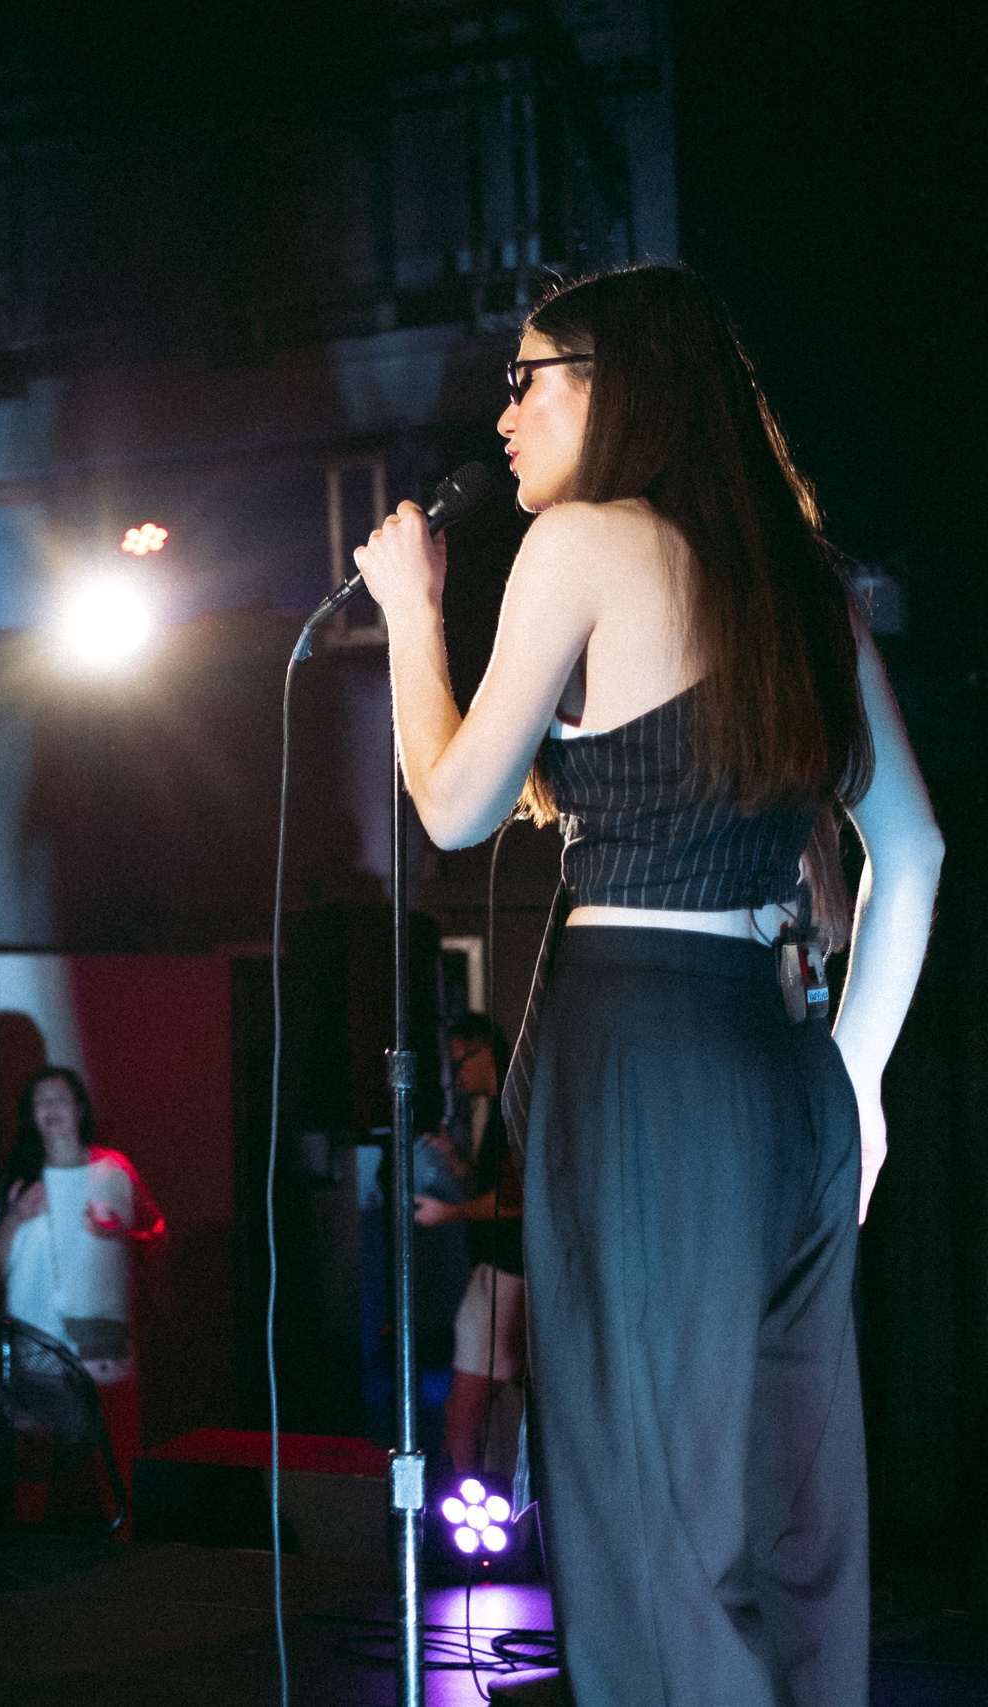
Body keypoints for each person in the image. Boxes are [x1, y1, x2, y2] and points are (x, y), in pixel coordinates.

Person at [354, 262, 941, 1705]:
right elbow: (916, 851)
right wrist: (857, 1084)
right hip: (785, 1059)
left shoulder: (584, 542)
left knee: (650, 1502)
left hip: (645, 1043)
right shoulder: (803, 586)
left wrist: (411, 613)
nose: (503, 417)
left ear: (619, 387)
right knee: (788, 1496)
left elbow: (453, 806)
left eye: (527, 378)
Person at [0, 1066, 166, 1388]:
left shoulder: (113, 1170)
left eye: (60, 1098)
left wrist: (120, 1235)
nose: (50, 1107)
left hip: (104, 1359)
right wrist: (15, 1218)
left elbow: (157, 1242)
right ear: (32, 1115)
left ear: (80, 1109)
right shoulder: (19, 1181)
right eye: (41, 1100)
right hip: (35, 1358)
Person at [411, 1013, 524, 1479]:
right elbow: (494, 1191)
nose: (455, 1076)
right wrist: (454, 1159)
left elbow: (512, 1202)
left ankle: (460, 1500)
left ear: (487, 1052)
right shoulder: (503, 1110)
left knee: (463, 1411)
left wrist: (447, 1213)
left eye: (460, 1062)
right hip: (501, 1273)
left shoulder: (512, 1110)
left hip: (504, 1275)